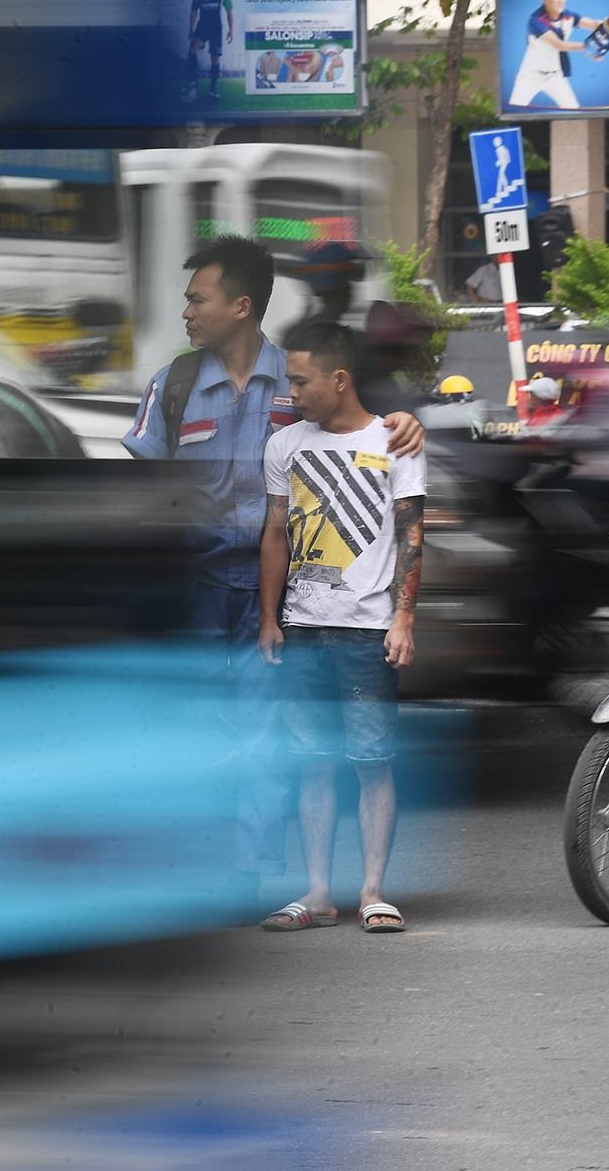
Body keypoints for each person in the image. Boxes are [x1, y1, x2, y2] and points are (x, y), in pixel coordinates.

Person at [123, 236, 424, 901]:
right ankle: (193, 864)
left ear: (240, 305)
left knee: (267, 734)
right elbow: (142, 485)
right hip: (196, 587)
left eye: (196, 299)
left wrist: (405, 421)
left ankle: (247, 877)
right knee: (192, 725)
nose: (186, 312)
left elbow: (366, 424)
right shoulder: (171, 385)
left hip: (280, 591)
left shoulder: (301, 379)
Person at [257, 322, 425, 935]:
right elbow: (275, 532)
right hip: (302, 627)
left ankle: (374, 890)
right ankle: (319, 892)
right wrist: (268, 618)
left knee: (372, 761)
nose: (292, 391)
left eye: (300, 380)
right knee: (312, 762)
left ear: (339, 379)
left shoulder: (395, 441)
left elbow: (412, 533)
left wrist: (404, 618)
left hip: (366, 633)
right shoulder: (285, 446)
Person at [508, 0, 600, 110]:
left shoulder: (568, 16)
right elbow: (560, 45)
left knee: (574, 110)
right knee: (513, 112)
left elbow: (594, 25)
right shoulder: (535, 21)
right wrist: (589, 48)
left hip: (555, 76)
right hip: (530, 76)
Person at [186, 0, 234, 105]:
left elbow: (229, 12)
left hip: (216, 29)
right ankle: (193, 85)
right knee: (192, 50)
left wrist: (231, 30)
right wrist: (191, 29)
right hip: (202, 27)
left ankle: (212, 90)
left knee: (215, 59)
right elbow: (193, 12)